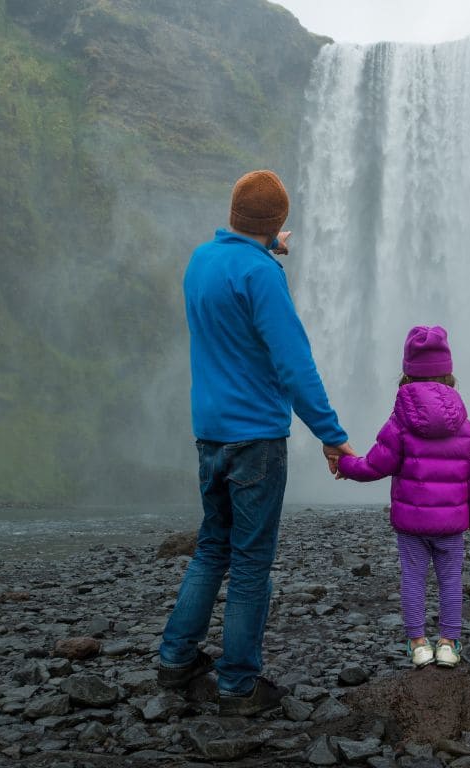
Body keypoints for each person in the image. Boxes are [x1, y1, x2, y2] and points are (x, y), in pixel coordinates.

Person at [157, 169, 354, 717]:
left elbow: (234, 283)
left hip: (210, 431)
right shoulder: (262, 275)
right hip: (256, 439)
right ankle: (238, 685)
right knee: (250, 562)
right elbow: (293, 364)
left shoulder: (202, 261)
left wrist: (266, 247)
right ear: (275, 226)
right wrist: (332, 436)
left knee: (211, 547)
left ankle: (175, 659)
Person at [336, 326, 470, 669]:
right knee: (450, 578)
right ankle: (449, 644)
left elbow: (377, 464)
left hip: (411, 524)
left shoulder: (401, 420)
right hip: (451, 524)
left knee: (412, 577)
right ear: (449, 373)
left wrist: (345, 465)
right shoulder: (464, 424)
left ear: (407, 371)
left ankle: (418, 644)